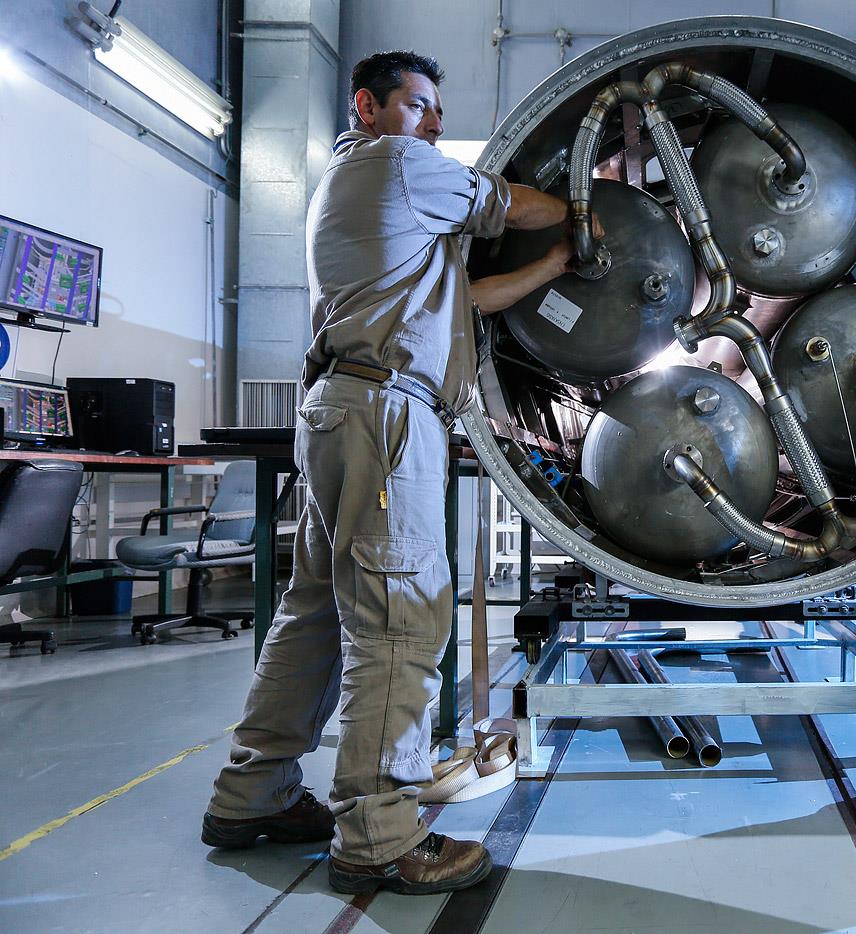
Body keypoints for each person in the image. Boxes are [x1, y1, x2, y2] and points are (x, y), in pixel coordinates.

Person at [200, 50, 592, 896]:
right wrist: (594, 217)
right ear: (367, 108)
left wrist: (557, 267)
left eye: (437, 111)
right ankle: (378, 833)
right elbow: (510, 205)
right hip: (384, 417)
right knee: (400, 618)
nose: (434, 123)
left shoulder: (371, 193)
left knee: (312, 615)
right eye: (418, 106)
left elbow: (467, 303)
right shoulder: (395, 164)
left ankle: (251, 791)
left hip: (347, 409)